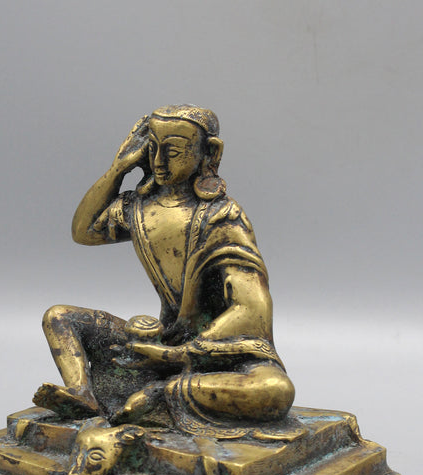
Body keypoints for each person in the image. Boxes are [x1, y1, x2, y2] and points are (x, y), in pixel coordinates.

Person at [33, 105, 295, 436]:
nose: (158, 161)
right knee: (59, 317)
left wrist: (176, 355)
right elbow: (84, 231)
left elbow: (252, 308)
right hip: (163, 340)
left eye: (172, 151)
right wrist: (119, 168)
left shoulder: (221, 217)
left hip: (222, 355)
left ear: (209, 153)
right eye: (152, 149)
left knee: (275, 392)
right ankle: (82, 393)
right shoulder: (138, 207)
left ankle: (160, 395)